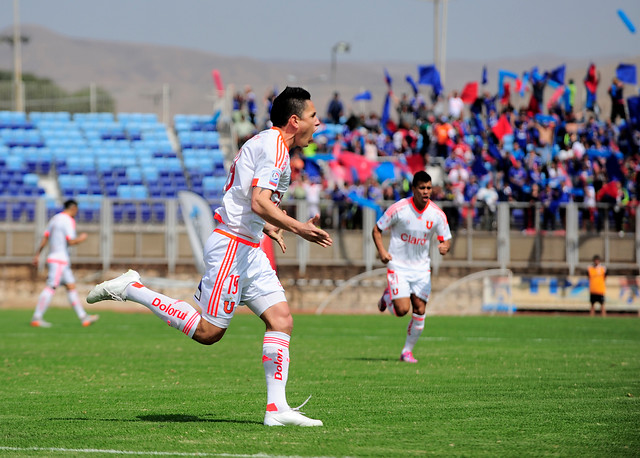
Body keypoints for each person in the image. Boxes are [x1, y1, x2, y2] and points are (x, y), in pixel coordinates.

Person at [86, 87, 332, 427]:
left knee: (281, 320)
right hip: (233, 246)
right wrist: (296, 228)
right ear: (295, 121)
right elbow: (259, 201)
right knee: (208, 332)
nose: (317, 123)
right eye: (312, 116)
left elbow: (251, 201)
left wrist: (266, 227)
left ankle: (277, 410)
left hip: (248, 245)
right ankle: (132, 288)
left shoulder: (269, 144)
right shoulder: (275, 149)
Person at [372, 171, 452, 363]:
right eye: (422, 188)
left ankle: (407, 351)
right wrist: (382, 252)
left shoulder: (437, 214)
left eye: (429, 188)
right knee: (401, 310)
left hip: (422, 269)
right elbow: (377, 229)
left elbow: (446, 239)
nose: (426, 192)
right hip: (398, 265)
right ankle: (387, 296)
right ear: (414, 189)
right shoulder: (399, 209)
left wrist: (444, 247)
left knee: (420, 309)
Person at [30, 199, 99, 328]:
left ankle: (84, 318)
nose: (76, 214)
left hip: (57, 259)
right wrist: (82, 238)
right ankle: (36, 317)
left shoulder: (54, 219)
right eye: (76, 211)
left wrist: (38, 254)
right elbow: (71, 241)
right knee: (51, 287)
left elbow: (45, 237)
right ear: (73, 208)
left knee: (71, 287)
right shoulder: (68, 220)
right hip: (59, 260)